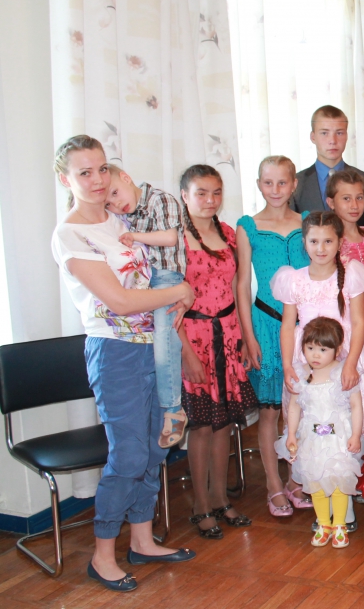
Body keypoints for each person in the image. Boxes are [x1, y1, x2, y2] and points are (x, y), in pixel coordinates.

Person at [51, 135, 196, 592]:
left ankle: (142, 540)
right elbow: (120, 300)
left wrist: (180, 296)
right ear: (66, 180)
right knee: (128, 454)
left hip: (155, 345)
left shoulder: (120, 218)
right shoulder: (70, 234)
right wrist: (179, 291)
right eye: (84, 172)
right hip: (114, 351)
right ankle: (102, 556)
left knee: (156, 447)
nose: (97, 180)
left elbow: (163, 263)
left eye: (102, 168)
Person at [272, 211, 364, 531]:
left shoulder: (351, 274)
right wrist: (288, 365)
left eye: (328, 241)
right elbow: (287, 326)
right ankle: (322, 506)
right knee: (313, 429)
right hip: (309, 362)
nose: (321, 248)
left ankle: (344, 509)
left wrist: (351, 363)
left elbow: (359, 322)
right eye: (314, 241)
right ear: (304, 243)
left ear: (339, 242)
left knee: (343, 428)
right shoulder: (294, 279)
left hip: (344, 359)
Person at [177, 164, 258, 539]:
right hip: (193, 338)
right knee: (202, 426)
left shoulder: (227, 233)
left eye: (216, 192)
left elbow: (237, 289)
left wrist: (242, 335)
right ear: (185, 196)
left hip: (227, 334)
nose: (210, 200)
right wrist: (186, 354)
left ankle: (221, 497)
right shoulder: (176, 240)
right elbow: (168, 304)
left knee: (224, 422)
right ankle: (200, 504)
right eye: (201, 193)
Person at [235, 156, 310, 517]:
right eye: (268, 183)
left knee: (301, 407)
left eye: (282, 182)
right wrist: (248, 337)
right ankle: (272, 483)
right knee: (270, 411)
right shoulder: (248, 226)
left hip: (304, 326)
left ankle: (296, 478)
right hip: (265, 323)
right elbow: (242, 284)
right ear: (259, 185)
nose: (276, 190)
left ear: (294, 184)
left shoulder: (306, 222)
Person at [104, 166, 187, 448]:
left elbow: (169, 238)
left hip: (166, 277)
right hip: (145, 280)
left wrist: (135, 236)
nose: (117, 204)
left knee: (164, 340)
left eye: (116, 193)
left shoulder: (160, 199)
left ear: (126, 178)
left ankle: (174, 409)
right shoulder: (126, 214)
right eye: (109, 203)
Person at [283, 317, 363, 549]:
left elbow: (356, 405)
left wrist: (355, 435)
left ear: (337, 349)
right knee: (315, 481)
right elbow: (294, 406)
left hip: (338, 438)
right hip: (311, 439)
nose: (315, 355)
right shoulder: (301, 375)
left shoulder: (343, 374)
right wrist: (291, 434)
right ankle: (323, 523)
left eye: (322, 350)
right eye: (310, 348)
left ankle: (339, 524)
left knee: (338, 481)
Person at [291, 105, 364, 227]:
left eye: (339, 133)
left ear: (346, 136)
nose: (333, 140)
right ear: (313, 137)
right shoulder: (296, 184)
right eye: (324, 133)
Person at [326, 169, 364, 319]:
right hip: (344, 318)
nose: (354, 205)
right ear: (331, 203)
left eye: (359, 198)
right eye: (346, 199)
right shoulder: (328, 242)